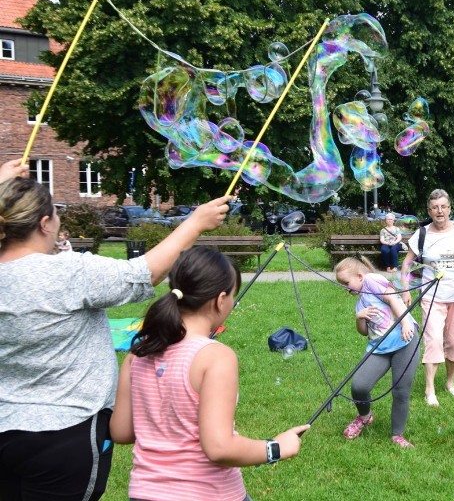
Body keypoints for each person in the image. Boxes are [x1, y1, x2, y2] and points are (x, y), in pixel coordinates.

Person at [0, 173, 230, 501]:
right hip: (67, 433)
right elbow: (144, 273)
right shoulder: (67, 272)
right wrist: (194, 223)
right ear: (44, 223)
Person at [110, 247, 309, 500]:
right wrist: (276, 448)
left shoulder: (137, 355)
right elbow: (219, 447)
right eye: (233, 297)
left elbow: (121, 432)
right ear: (220, 300)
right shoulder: (215, 357)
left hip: (144, 493)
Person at [401, 189, 454, 407]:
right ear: (429, 210)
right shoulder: (422, 235)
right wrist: (406, 289)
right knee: (434, 340)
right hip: (432, 296)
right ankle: (430, 389)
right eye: (435, 207)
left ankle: (449, 383)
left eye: (443, 207)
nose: (439, 211)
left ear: (449, 209)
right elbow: (407, 264)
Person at [334, 256, 419, 447]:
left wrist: (406, 323)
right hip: (379, 347)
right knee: (359, 386)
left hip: (404, 340)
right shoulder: (360, 303)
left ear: (360, 276)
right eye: (341, 284)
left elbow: (393, 298)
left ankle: (397, 434)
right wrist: (359, 318)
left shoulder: (371, 280)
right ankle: (365, 417)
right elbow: (364, 332)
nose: (345, 287)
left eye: (346, 282)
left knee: (400, 390)